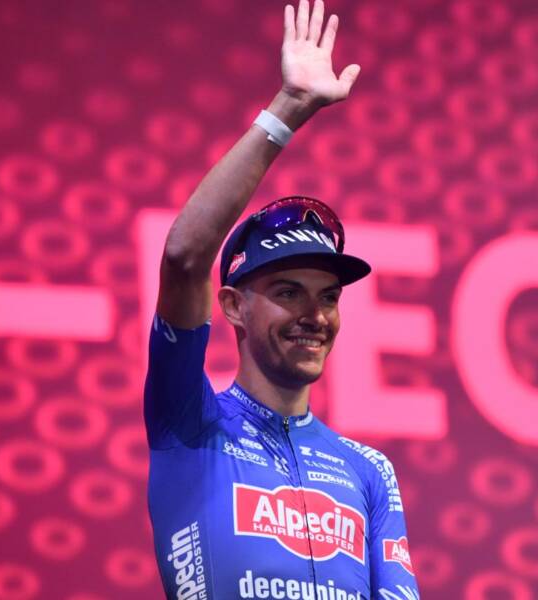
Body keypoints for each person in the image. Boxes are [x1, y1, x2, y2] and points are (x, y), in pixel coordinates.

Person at [143, 2, 420, 598]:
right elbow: (184, 257)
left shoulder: (369, 472)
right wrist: (288, 109)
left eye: (328, 297)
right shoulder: (190, 424)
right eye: (288, 293)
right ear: (233, 306)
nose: (314, 316)